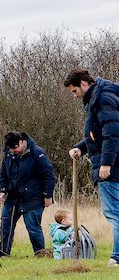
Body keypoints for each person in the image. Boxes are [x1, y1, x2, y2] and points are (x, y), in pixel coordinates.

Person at [65, 67, 119, 267]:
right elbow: (95, 135)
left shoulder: (102, 99)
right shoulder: (100, 99)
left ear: (84, 84)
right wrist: (80, 148)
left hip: (111, 167)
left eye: (74, 91)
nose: (74, 95)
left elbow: (112, 133)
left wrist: (106, 164)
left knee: (114, 213)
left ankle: (117, 257)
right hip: (113, 163)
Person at [0, 131, 55, 257]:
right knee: (6, 224)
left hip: (33, 197)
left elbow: (48, 175)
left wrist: (48, 195)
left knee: (33, 226)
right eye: (10, 149)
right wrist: (2, 189)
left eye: (15, 148)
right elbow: (3, 172)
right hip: (12, 197)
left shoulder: (37, 153)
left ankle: (40, 253)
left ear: (22, 142)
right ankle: (3, 252)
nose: (13, 151)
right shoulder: (8, 152)